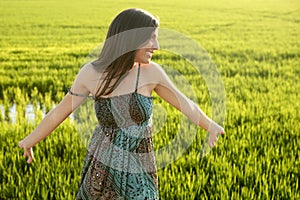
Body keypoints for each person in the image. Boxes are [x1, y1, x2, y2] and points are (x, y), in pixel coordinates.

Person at [18, 8, 224, 199]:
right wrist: (30, 141)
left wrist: (210, 126)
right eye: (151, 38)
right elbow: (58, 113)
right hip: (102, 166)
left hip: (139, 167)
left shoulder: (152, 72)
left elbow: (186, 104)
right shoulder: (90, 73)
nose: (157, 46)